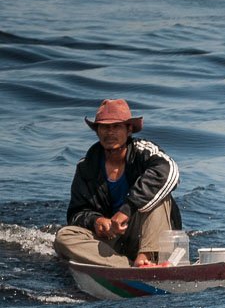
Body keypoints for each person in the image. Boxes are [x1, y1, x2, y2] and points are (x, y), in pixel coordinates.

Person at [55, 99, 181, 267]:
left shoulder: (144, 152)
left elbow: (169, 171)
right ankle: (125, 266)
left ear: (129, 129)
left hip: (148, 236)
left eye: (116, 126)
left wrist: (127, 209)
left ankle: (147, 258)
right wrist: (97, 221)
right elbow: (76, 213)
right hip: (112, 242)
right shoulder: (87, 166)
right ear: (97, 131)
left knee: (160, 196)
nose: (110, 133)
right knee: (63, 237)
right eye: (105, 127)